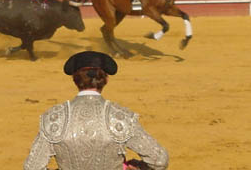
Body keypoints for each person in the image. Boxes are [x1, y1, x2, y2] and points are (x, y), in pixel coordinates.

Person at [24, 50, 168, 170]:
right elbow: (159, 160)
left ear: (75, 80)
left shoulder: (53, 118)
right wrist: (137, 166)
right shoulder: (122, 117)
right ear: (105, 80)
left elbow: (32, 167)